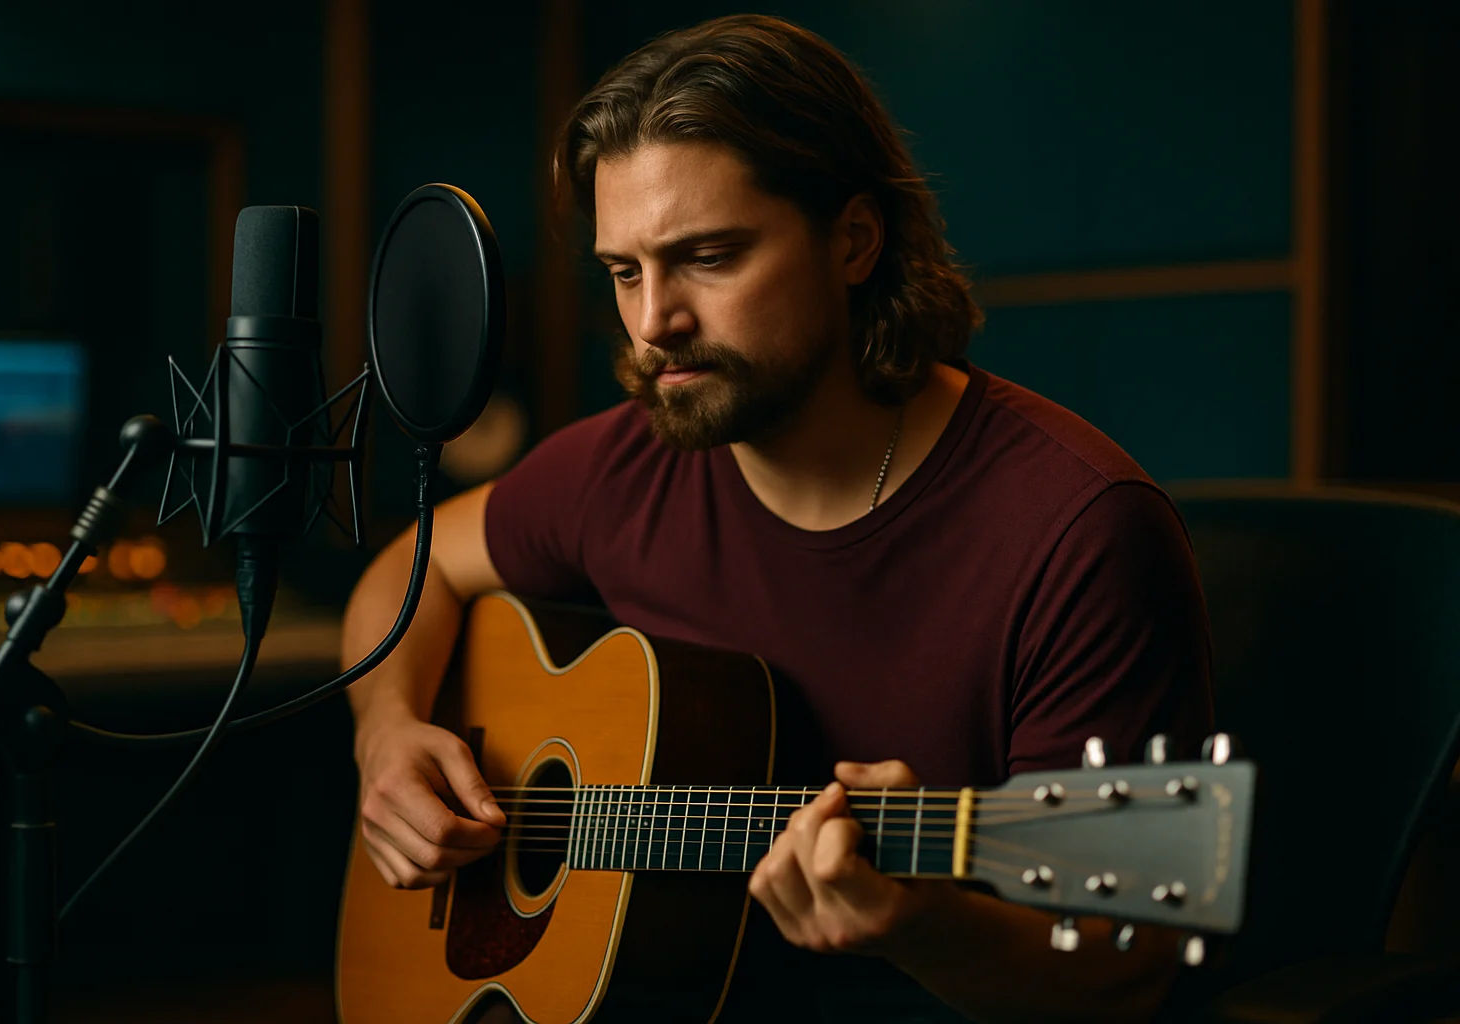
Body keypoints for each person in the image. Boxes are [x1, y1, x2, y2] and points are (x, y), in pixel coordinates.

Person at [342, 13, 1213, 1023]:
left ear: (853, 239)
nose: (653, 318)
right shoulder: (623, 465)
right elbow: (411, 571)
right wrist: (388, 731)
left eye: (707, 257)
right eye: (624, 270)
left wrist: (918, 919)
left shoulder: (1076, 529)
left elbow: (1119, 975)